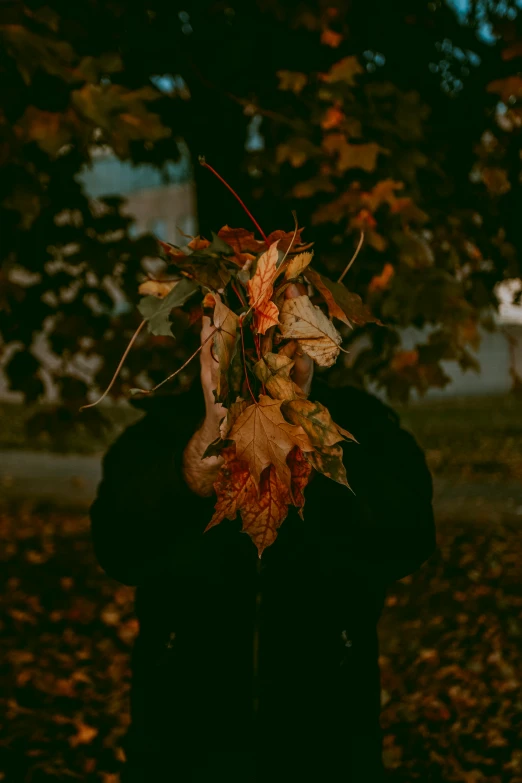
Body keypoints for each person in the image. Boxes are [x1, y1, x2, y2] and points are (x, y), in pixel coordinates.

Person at [90, 285, 436, 782]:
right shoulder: (155, 434)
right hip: (179, 751)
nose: (261, 352)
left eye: (279, 333)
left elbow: (409, 536)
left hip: (327, 750)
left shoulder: (363, 426)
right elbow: (116, 547)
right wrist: (196, 464)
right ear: (205, 340)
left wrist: (309, 436)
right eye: (238, 334)